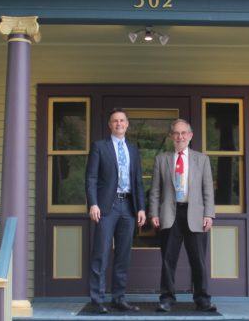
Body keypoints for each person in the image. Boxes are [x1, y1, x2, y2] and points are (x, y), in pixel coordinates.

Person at [149, 118, 217, 312]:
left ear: (190, 136)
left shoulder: (201, 159)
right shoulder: (161, 159)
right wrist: (154, 212)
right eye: (176, 133)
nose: (180, 136)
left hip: (195, 215)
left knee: (198, 261)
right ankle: (167, 298)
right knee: (168, 260)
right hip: (170, 214)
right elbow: (155, 190)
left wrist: (209, 214)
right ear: (172, 136)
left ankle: (202, 299)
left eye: (183, 133)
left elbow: (208, 191)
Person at [85, 108, 147, 314]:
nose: (119, 124)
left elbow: (137, 180)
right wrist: (93, 203)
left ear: (127, 124)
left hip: (128, 207)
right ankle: (97, 300)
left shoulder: (133, 149)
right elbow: (91, 178)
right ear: (109, 125)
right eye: (115, 121)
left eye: (122, 120)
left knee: (123, 256)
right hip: (106, 207)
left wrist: (141, 208)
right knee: (101, 254)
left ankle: (119, 298)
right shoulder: (99, 147)